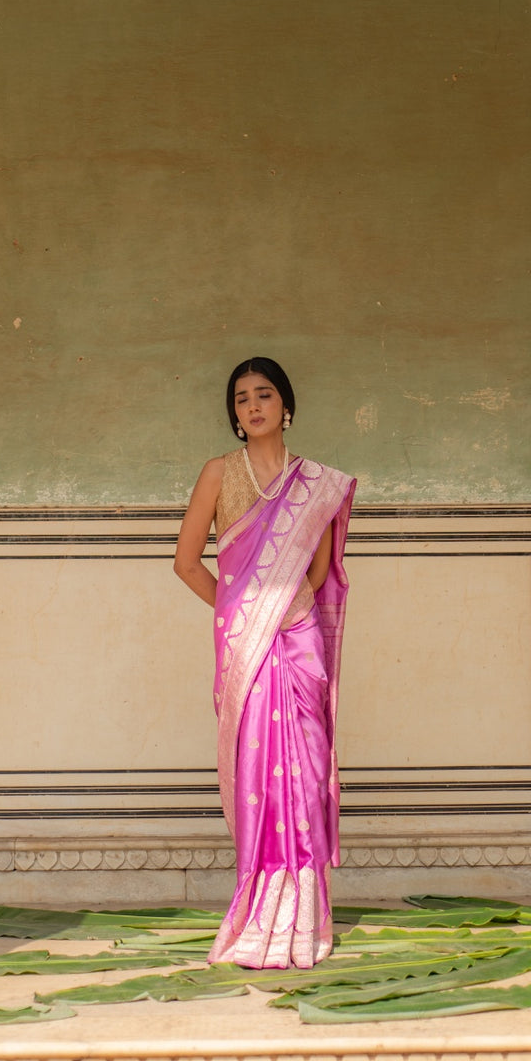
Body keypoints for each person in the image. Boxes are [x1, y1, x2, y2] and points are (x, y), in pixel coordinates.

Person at [174, 358, 356, 969]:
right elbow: (187, 563)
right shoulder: (217, 475)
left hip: (299, 642)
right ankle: (256, 920)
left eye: (264, 394)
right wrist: (241, 607)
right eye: (241, 398)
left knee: (302, 781)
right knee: (258, 785)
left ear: (286, 406)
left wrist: (285, 611)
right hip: (245, 646)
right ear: (234, 414)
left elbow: (315, 573)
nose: (252, 406)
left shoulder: (318, 486)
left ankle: (304, 922)